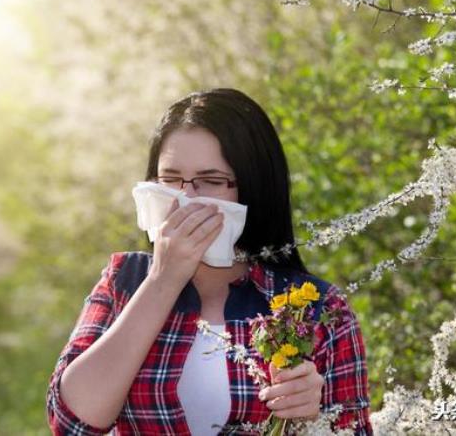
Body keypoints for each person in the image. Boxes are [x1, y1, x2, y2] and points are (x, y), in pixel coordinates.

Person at [46, 88, 373, 435]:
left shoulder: (317, 308)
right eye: (170, 179)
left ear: (252, 188)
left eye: (211, 181)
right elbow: (71, 423)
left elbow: (352, 429)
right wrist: (163, 278)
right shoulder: (124, 281)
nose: (185, 199)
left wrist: (313, 415)